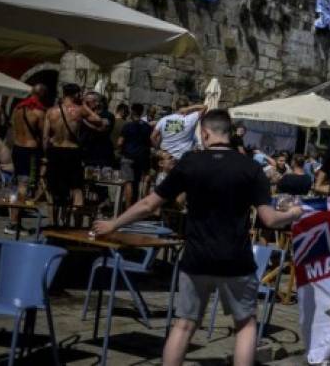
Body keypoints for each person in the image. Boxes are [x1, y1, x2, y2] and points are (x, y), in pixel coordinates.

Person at [94, 109, 302, 366]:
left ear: (204, 132)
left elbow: (149, 204)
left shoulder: (190, 163)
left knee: (183, 326)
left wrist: (114, 223)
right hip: (235, 258)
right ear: (229, 133)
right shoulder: (251, 168)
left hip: (196, 257)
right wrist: (293, 214)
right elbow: (269, 219)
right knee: (246, 326)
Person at [44, 84, 104, 226]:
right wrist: (84, 104)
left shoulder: (51, 112)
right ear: (75, 95)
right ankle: (76, 225)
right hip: (72, 152)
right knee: (77, 189)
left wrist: (46, 155)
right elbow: (98, 120)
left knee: (53, 189)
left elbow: (45, 137)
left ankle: (53, 224)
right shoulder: (79, 110)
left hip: (55, 151)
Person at [9, 84, 49, 230]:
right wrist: (45, 155)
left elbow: (13, 129)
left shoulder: (17, 109)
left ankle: (13, 220)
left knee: (17, 184)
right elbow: (44, 137)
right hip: (30, 151)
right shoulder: (39, 112)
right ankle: (14, 223)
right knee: (24, 186)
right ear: (43, 95)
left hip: (17, 149)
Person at [117, 103, 153, 209]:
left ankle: (128, 207)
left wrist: (120, 151)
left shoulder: (128, 126)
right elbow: (150, 142)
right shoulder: (147, 127)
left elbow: (120, 142)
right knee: (136, 183)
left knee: (128, 182)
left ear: (132, 112)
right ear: (141, 112)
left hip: (128, 156)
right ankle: (135, 208)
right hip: (141, 158)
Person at [79, 92, 114, 169]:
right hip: (86, 154)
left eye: (88, 102)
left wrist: (84, 120)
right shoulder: (85, 115)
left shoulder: (107, 115)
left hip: (102, 154)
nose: (86, 104)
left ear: (97, 102)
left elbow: (102, 128)